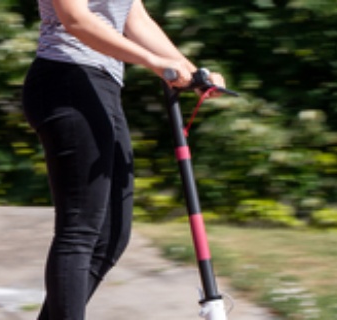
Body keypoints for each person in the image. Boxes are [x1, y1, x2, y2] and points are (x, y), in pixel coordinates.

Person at [20, 0, 225, 319]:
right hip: (66, 78)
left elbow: (135, 17)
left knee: (112, 234)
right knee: (80, 230)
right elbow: (75, 19)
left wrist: (191, 70)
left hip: (103, 85)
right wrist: (153, 62)